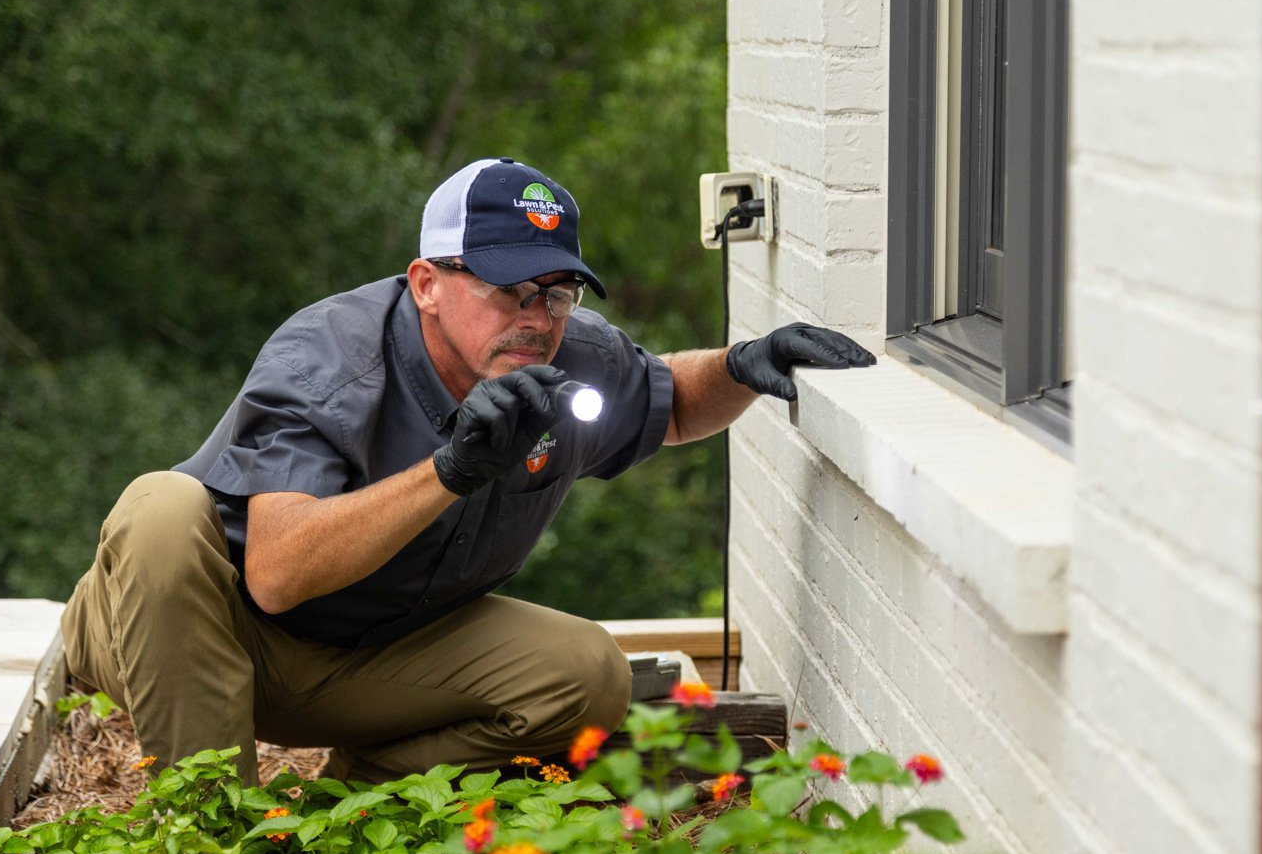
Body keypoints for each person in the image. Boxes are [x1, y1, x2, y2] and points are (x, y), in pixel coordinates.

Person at [58, 157, 874, 787]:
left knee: (588, 674)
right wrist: (448, 470)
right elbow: (276, 574)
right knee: (160, 508)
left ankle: (339, 816)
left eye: (558, 292)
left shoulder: (565, 358)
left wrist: (745, 363)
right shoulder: (328, 358)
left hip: (374, 656)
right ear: (427, 284)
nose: (536, 318)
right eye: (509, 288)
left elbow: (672, 405)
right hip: (208, 638)